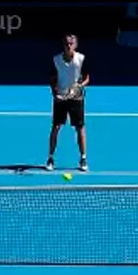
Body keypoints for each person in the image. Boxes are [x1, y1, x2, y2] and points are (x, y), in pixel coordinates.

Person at [47, 34, 89, 172]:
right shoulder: (56, 60)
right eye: (66, 43)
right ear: (63, 45)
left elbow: (87, 78)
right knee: (56, 127)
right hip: (61, 98)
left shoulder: (81, 59)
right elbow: (52, 79)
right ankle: (50, 158)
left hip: (76, 98)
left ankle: (83, 159)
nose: (69, 46)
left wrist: (79, 86)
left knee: (80, 128)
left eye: (71, 43)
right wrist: (55, 94)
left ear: (75, 45)